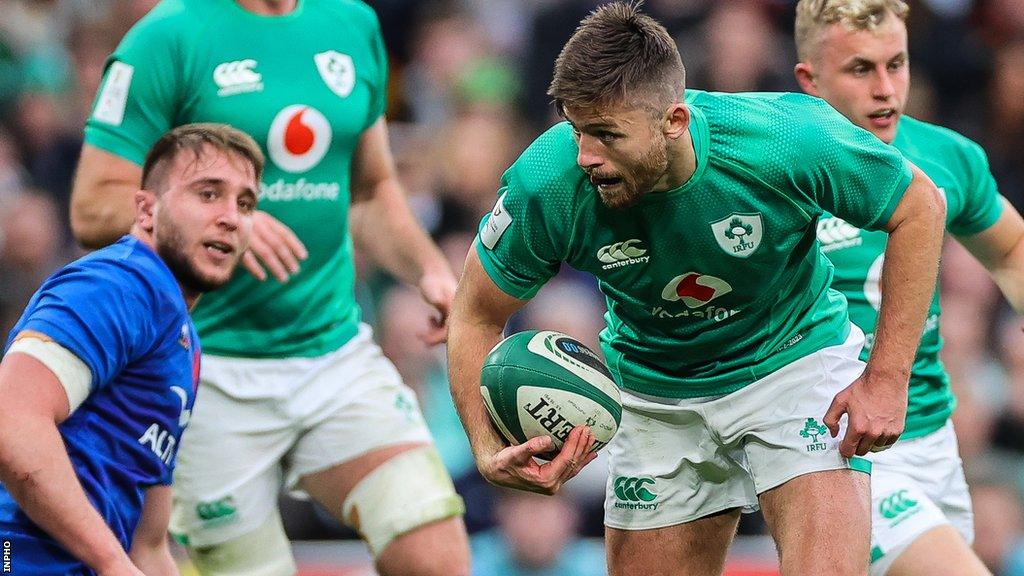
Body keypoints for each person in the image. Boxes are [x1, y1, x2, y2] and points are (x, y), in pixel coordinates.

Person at [446, 3, 948, 575]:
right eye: (578, 129)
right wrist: (485, 448)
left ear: (675, 122)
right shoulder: (548, 183)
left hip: (793, 363)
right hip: (656, 392)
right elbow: (473, 315)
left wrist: (886, 379)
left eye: (608, 135)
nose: (586, 156)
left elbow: (920, 207)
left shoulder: (784, 139)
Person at [68, 1, 470, 575]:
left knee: (437, 558)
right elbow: (91, 206)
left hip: (331, 352)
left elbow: (370, 191)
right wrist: (223, 218)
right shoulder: (168, 37)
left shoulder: (351, 24)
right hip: (204, 371)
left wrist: (429, 270)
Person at [792, 1, 1024, 574]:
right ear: (809, 79)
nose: (886, 89)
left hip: (933, 439)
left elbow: (1012, 249)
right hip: (835, 449)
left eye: (897, 65)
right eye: (860, 69)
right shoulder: (773, 168)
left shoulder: (947, 156)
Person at [0, 122, 261, 576]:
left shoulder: (184, 340)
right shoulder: (118, 283)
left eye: (245, 203)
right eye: (207, 194)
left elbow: (149, 546)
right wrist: (111, 563)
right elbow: (11, 419)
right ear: (146, 210)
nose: (230, 217)